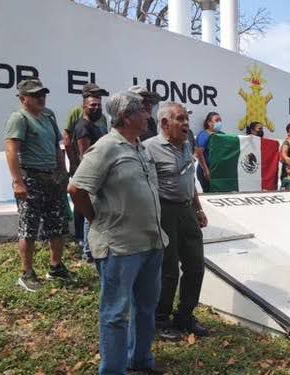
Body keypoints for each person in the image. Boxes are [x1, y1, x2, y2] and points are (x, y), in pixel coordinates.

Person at [68, 91, 167, 374]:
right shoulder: (106, 147)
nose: (149, 115)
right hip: (119, 247)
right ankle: (113, 369)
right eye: (143, 111)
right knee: (115, 315)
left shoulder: (141, 147)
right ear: (126, 116)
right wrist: (96, 220)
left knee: (146, 309)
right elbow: (76, 189)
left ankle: (141, 360)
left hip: (151, 241)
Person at [144, 102, 210, 338]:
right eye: (180, 119)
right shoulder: (148, 148)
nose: (186, 124)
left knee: (195, 265)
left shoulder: (186, 143)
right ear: (164, 123)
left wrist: (198, 209)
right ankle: (160, 319)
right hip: (164, 212)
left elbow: (189, 179)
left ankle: (185, 316)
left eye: (186, 120)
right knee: (168, 270)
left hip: (187, 211)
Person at [4, 79, 72, 292]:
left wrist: (63, 171)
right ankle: (27, 273)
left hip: (53, 178)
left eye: (42, 94)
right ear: (23, 99)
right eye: (35, 95)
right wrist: (17, 182)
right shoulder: (19, 118)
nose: (41, 98)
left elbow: (56, 146)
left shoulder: (49, 115)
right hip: (31, 178)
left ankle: (56, 267)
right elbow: (11, 151)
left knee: (58, 224)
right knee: (29, 228)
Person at [64, 83, 109, 246]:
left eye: (100, 99)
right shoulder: (78, 116)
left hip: (100, 167)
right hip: (84, 164)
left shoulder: (102, 118)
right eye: (94, 100)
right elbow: (69, 140)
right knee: (81, 199)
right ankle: (81, 238)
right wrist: (75, 165)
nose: (97, 105)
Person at [71, 94, 106, 263]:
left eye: (98, 105)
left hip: (99, 175)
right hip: (92, 177)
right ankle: (88, 252)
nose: (96, 108)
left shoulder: (94, 125)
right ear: (84, 106)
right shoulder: (83, 127)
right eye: (92, 105)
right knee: (89, 217)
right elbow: (85, 155)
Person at [195, 112, 223, 192]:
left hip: (217, 171)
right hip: (206, 171)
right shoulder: (204, 135)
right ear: (209, 122)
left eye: (220, 120)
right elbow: (199, 153)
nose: (219, 122)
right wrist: (206, 170)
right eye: (217, 120)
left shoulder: (222, 135)